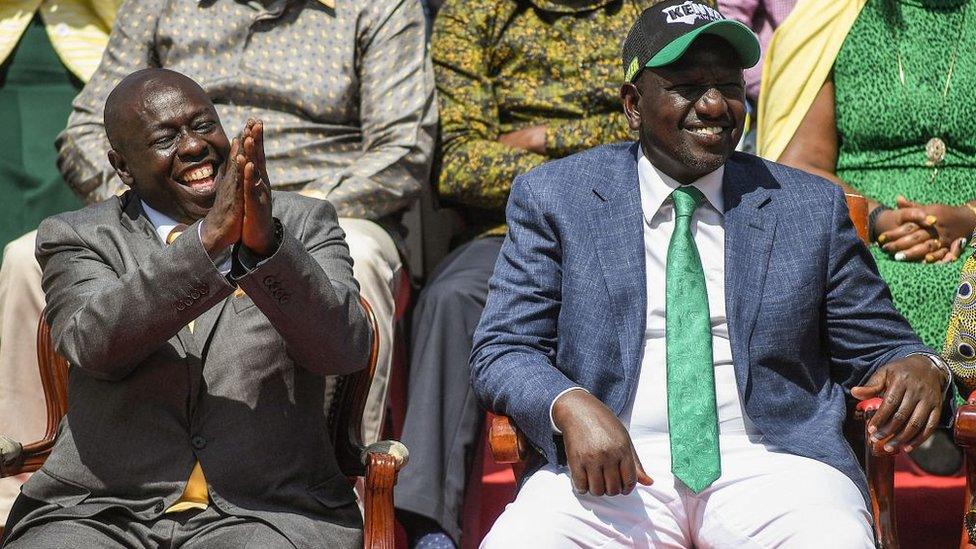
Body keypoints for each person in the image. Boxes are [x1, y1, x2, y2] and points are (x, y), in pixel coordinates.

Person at [470, 1, 951, 546]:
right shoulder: (558, 198)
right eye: (688, 86)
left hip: (777, 465)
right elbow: (504, 348)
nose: (715, 105)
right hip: (608, 470)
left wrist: (918, 364)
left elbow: (881, 345)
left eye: (727, 84)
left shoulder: (806, 206)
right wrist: (569, 404)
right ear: (633, 103)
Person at [0, 0, 435, 454]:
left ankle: (349, 484)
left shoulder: (378, 6)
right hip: (164, 193)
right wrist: (155, 205)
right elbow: (88, 128)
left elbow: (403, 148)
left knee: (356, 254)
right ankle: (19, 484)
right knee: (24, 256)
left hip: (321, 199)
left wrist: (276, 212)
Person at [0, 68, 371, 548]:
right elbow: (96, 347)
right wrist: (208, 242)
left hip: (269, 512)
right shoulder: (78, 236)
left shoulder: (301, 223)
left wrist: (267, 250)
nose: (194, 147)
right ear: (123, 167)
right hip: (101, 512)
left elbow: (342, 350)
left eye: (202, 125)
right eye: (165, 138)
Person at [394, 0, 710, 546]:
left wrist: (540, 138)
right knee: (450, 299)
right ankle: (432, 532)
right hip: (510, 230)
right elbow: (463, 163)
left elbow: (674, 128)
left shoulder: (647, 10)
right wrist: (591, 152)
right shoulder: (475, 13)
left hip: (639, 210)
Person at [759, 0, 974, 475]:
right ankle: (915, 423)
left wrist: (968, 217)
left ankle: (935, 420)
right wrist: (876, 220)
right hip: (862, 228)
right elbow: (799, 163)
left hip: (972, 232)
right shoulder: (834, 21)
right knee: (846, 281)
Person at [0, 0, 119, 525]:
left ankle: (37, 472)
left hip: (86, 55)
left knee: (55, 263)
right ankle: (12, 494)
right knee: (21, 258)